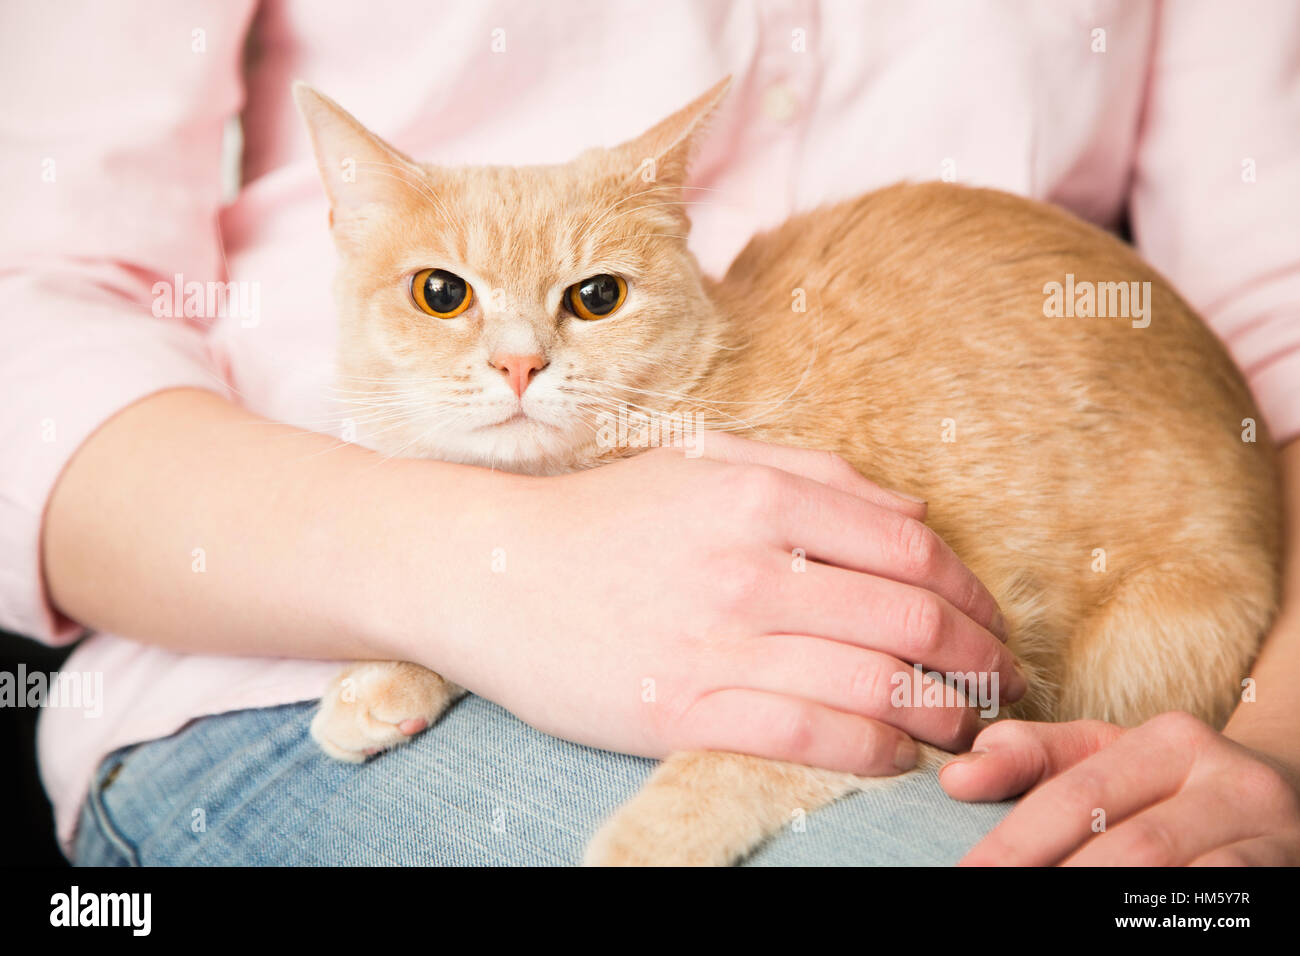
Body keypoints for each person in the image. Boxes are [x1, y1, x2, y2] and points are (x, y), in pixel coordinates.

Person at [4, 0, 1298, 866]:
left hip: (1096, 663)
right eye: (444, 297)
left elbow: (1280, 335)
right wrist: (478, 580)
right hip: (270, 650)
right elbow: (35, 307)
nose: (516, 363)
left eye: (589, 299)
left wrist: (1268, 759)